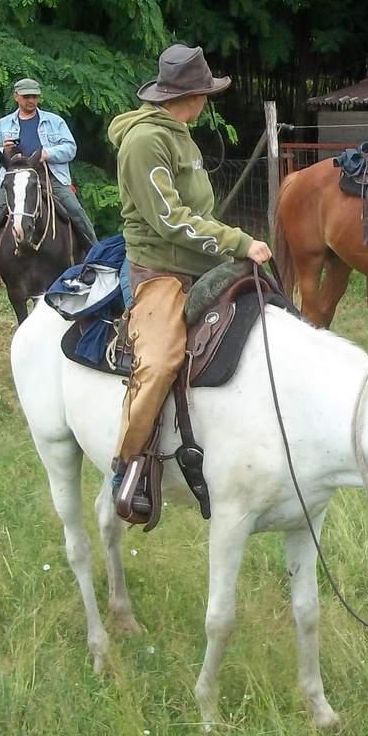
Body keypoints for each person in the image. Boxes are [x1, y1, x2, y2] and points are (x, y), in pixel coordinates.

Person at [109, 45, 272, 519]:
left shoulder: (180, 135)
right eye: (207, 92)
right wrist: (239, 242)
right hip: (160, 270)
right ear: (196, 96)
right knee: (159, 362)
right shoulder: (145, 142)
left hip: (198, 263)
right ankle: (127, 463)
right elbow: (168, 219)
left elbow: (197, 212)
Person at [0, 78, 98, 292]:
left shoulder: (54, 121)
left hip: (48, 176)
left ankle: (95, 262)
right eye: (26, 97)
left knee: (76, 211)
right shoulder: (4, 124)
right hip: (15, 177)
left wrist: (47, 153)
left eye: (34, 96)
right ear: (16, 97)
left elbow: (70, 148)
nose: (31, 100)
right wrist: (4, 152)